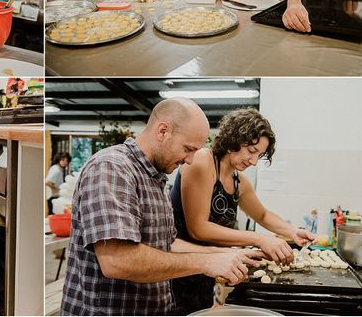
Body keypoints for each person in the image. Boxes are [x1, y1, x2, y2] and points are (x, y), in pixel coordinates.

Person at [61, 98, 263, 316]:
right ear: (163, 131)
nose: (190, 160)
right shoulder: (112, 168)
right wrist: (206, 262)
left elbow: (168, 244)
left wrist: (225, 254)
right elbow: (117, 261)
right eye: (188, 149)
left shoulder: (155, 177)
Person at [170, 107, 316, 314]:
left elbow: (262, 214)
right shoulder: (203, 161)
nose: (254, 161)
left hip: (207, 270)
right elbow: (198, 228)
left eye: (260, 155)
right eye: (251, 151)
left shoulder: (240, 182)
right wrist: (259, 239)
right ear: (233, 139)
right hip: (177, 269)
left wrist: (291, 231)